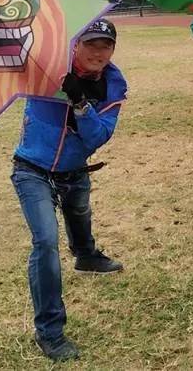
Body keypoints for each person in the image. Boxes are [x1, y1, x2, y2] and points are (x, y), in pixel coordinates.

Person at [11, 18, 128, 360]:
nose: (98, 52)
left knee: (79, 211)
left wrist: (80, 104)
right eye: (90, 43)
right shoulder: (44, 70)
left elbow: (98, 137)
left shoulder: (112, 85)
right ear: (75, 45)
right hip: (32, 170)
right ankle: (49, 332)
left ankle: (86, 256)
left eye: (105, 45)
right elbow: (14, 53)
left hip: (75, 170)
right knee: (46, 241)